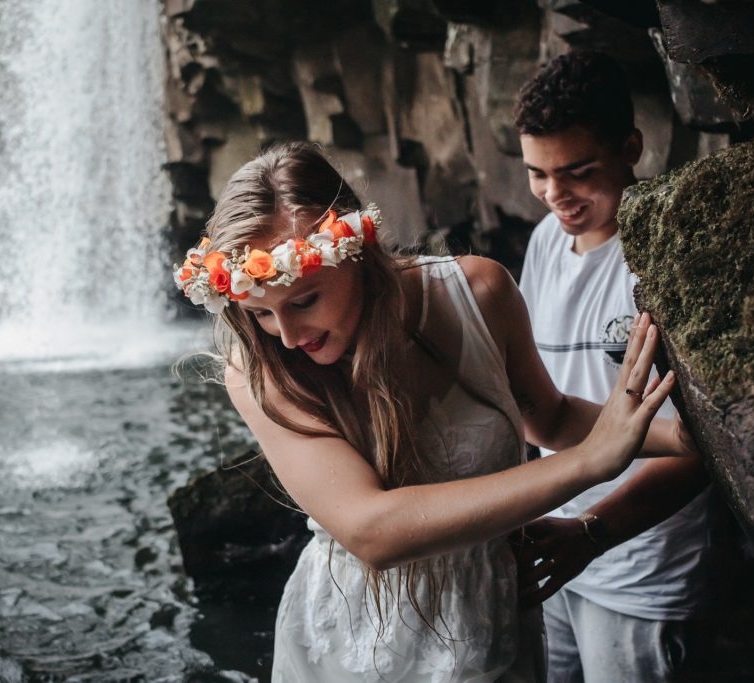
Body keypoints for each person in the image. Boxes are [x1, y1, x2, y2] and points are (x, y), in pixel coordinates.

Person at [173, 141, 693, 682]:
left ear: (358, 254)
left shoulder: (478, 293)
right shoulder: (259, 369)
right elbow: (373, 530)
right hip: (356, 645)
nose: (286, 336)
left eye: (304, 301)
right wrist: (588, 464)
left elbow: (551, 419)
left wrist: (679, 437)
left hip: (494, 612)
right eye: (261, 313)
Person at [513, 51, 712, 683]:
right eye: (537, 174)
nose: (554, 195)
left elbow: (699, 447)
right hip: (556, 549)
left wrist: (591, 534)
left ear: (631, 148)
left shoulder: (662, 258)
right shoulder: (545, 240)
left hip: (639, 571)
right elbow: (537, 400)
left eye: (577, 172)